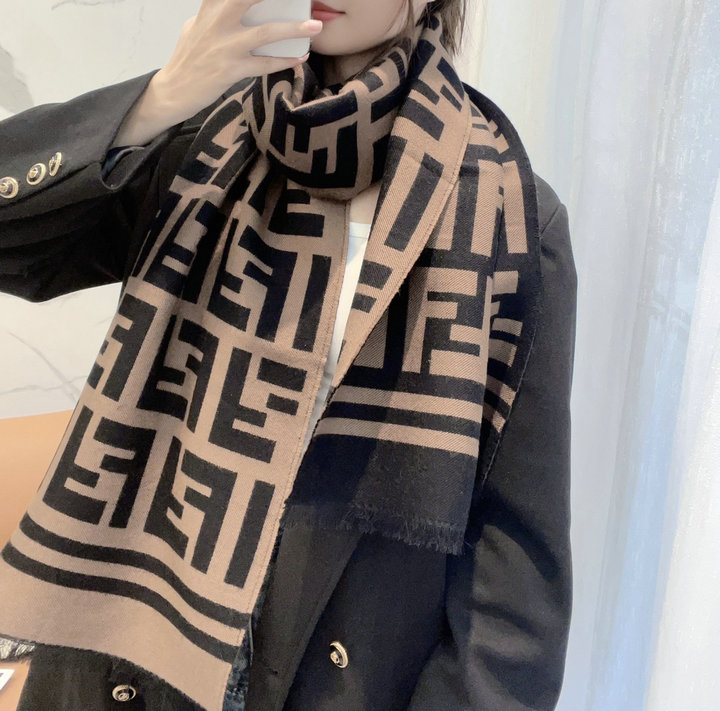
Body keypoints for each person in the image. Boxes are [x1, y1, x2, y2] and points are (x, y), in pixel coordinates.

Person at [0, 0, 577, 709]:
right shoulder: (194, 149)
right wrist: (163, 96)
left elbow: (513, 572)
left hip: (340, 675)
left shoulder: (505, 210)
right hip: (128, 662)